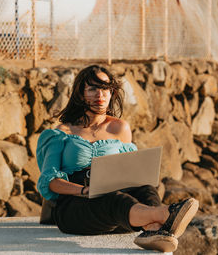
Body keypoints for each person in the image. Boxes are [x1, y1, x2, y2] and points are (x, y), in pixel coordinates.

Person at [36, 65, 198, 252]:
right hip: (75, 208)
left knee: (145, 188)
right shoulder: (61, 133)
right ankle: (166, 214)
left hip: (118, 215)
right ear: (81, 94)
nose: (100, 95)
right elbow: (50, 182)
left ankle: (153, 230)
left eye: (105, 88)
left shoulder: (120, 128)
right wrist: (84, 191)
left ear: (112, 93)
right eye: (93, 89)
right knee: (112, 198)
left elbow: (130, 174)